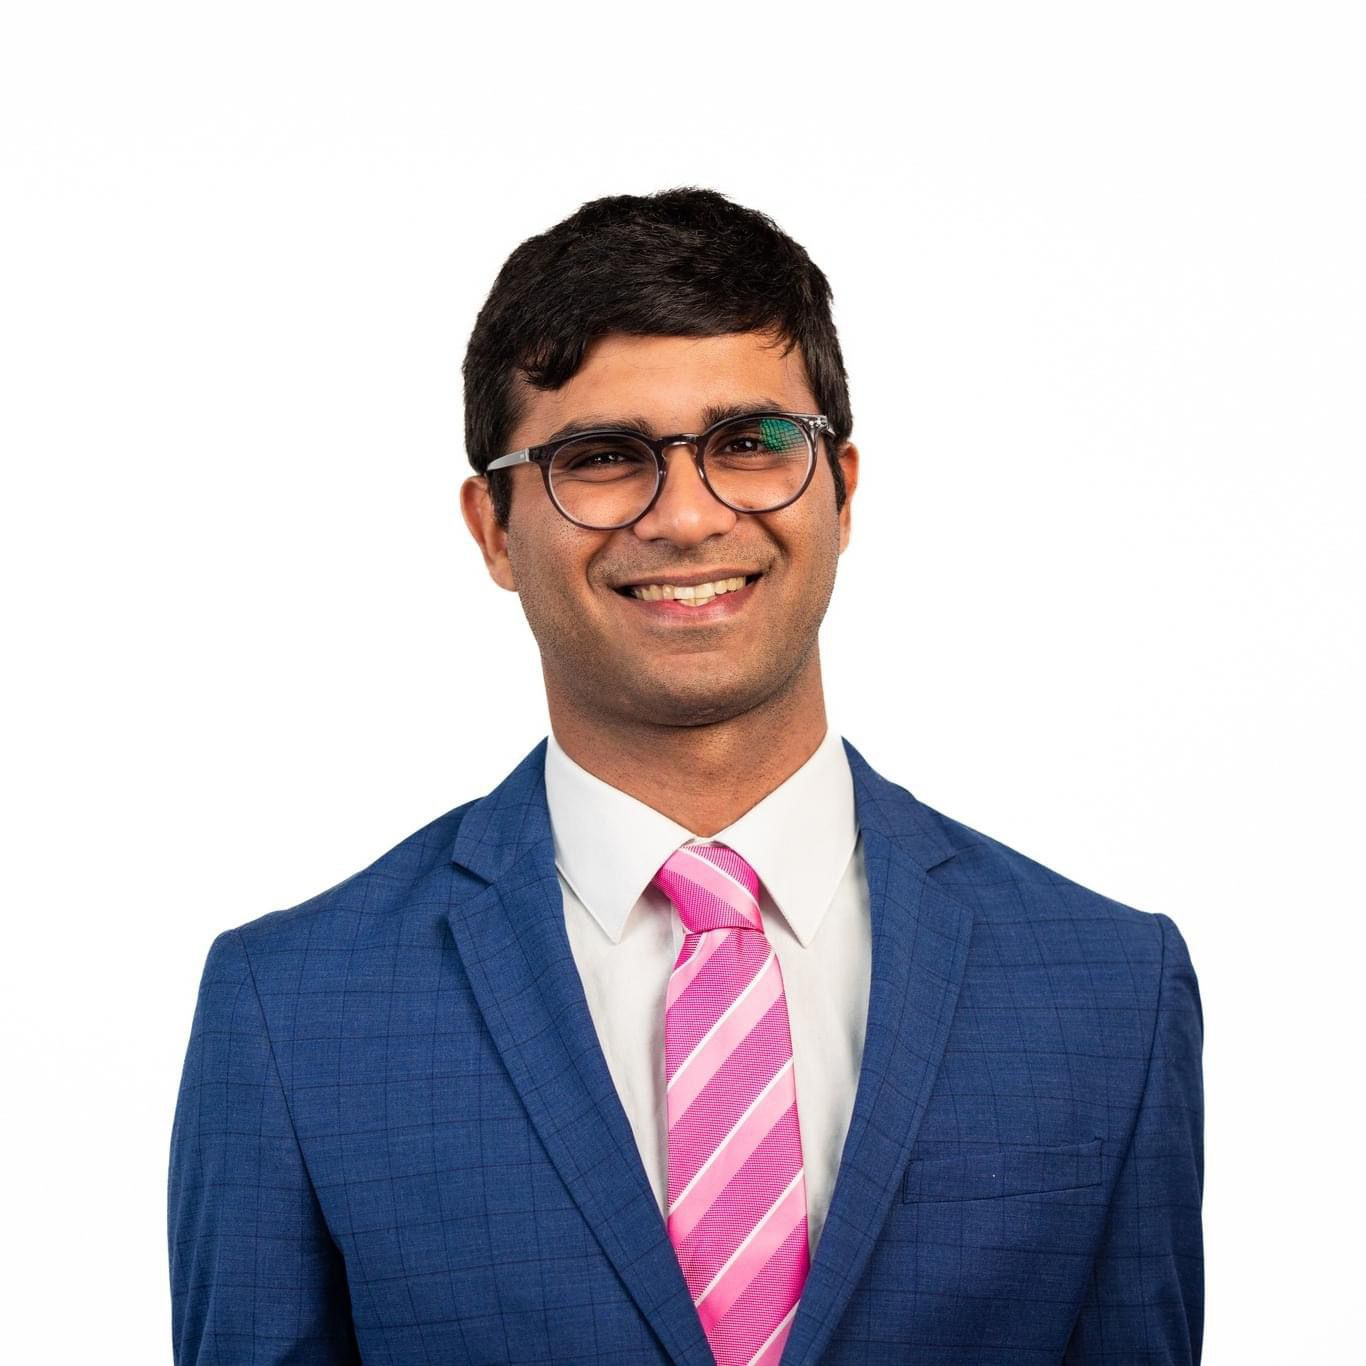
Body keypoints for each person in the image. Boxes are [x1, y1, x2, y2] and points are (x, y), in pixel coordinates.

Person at [168, 187, 1204, 1366]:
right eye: (601, 458)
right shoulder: (293, 1012)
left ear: (843, 489)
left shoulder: (1110, 993)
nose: (687, 515)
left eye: (749, 444)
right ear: (495, 529)